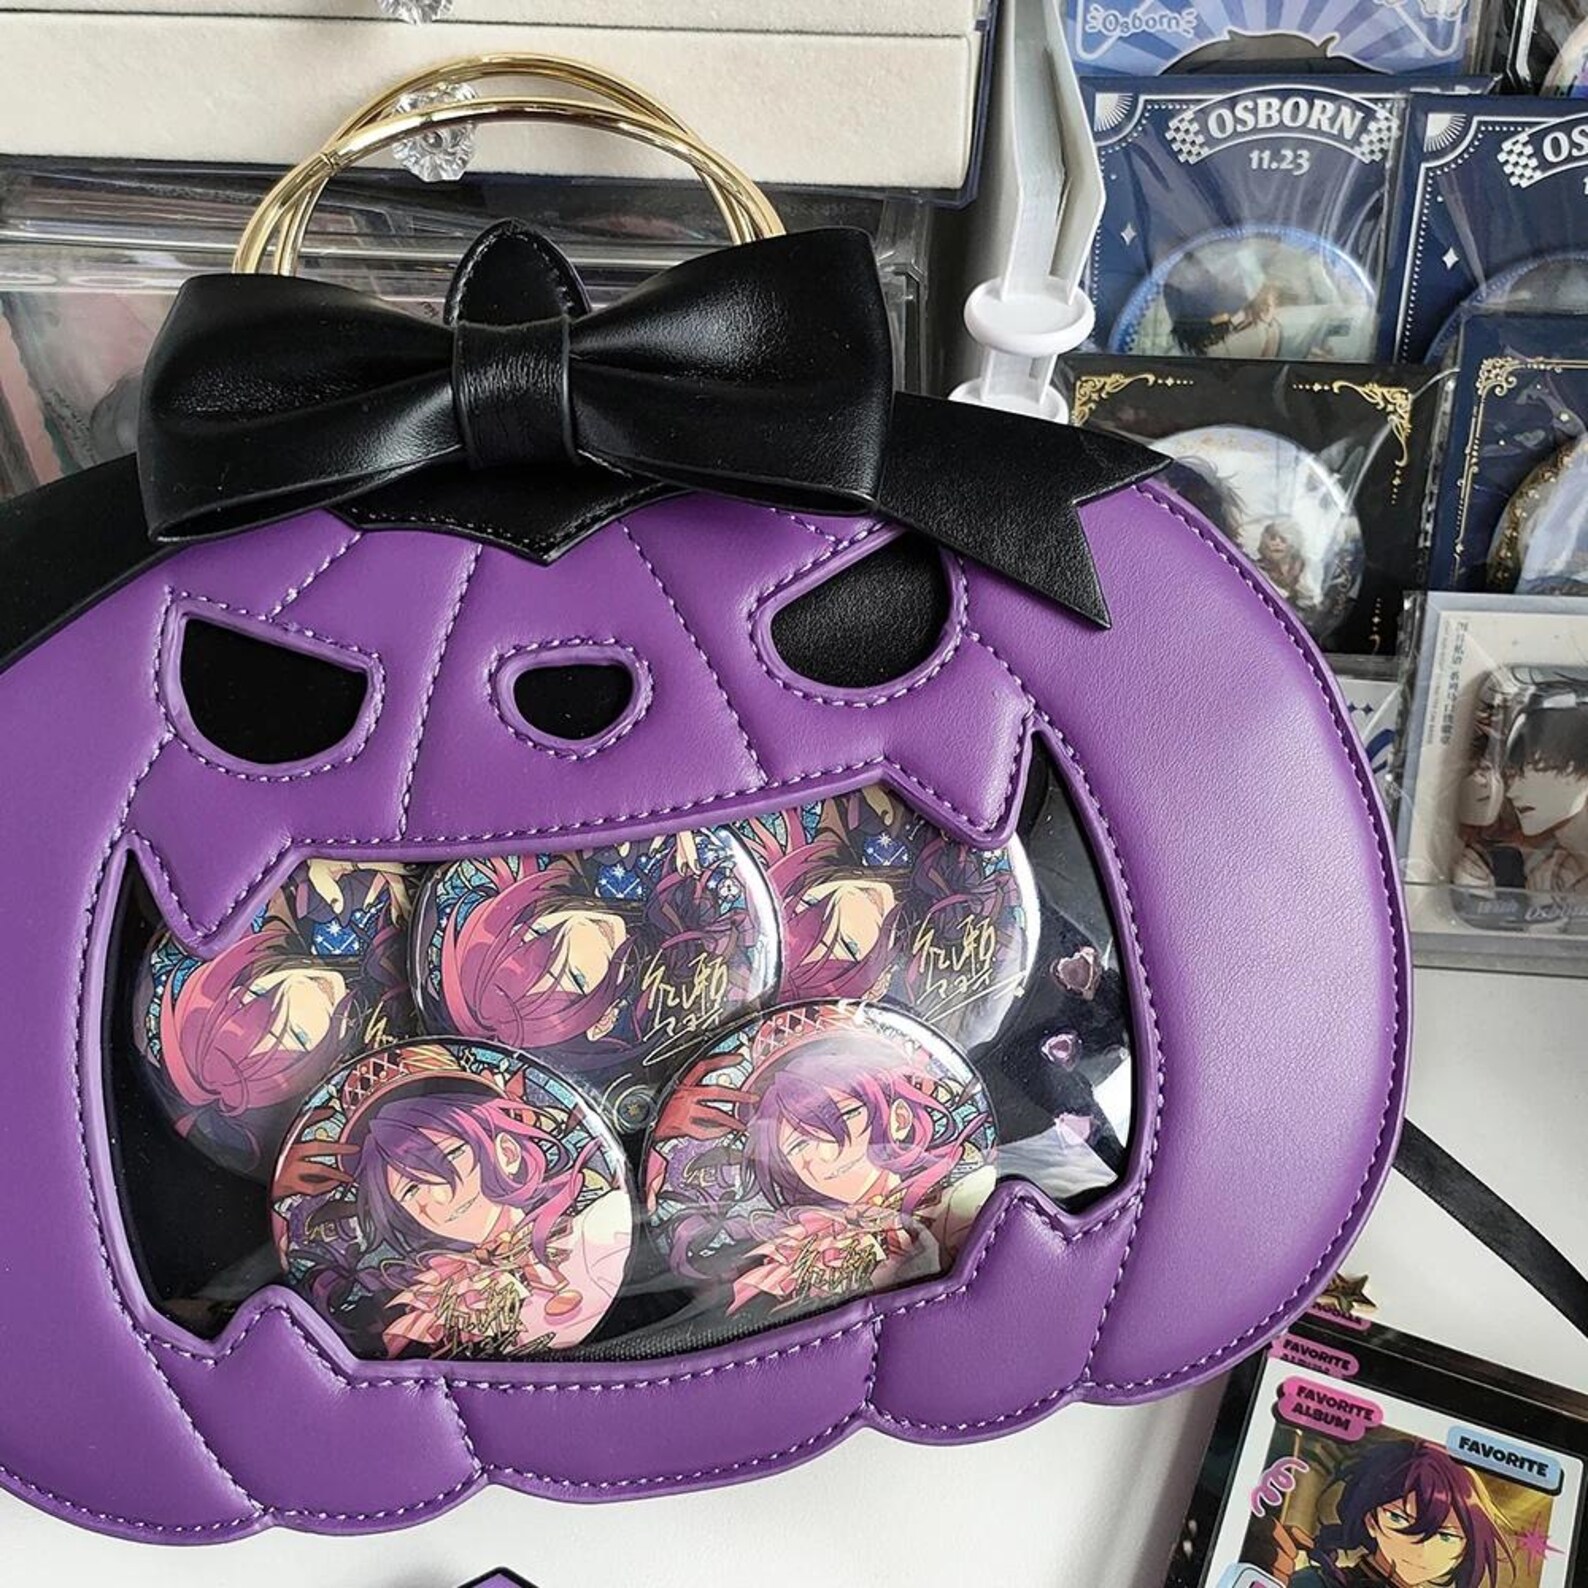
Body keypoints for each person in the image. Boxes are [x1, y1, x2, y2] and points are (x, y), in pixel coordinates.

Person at [1289, 1439, 1507, 1588]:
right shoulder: (1316, 1583)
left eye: (1446, 1536)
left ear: (1465, 1549)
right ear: (1371, 1520)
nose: (1421, 1550)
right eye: (1399, 1519)